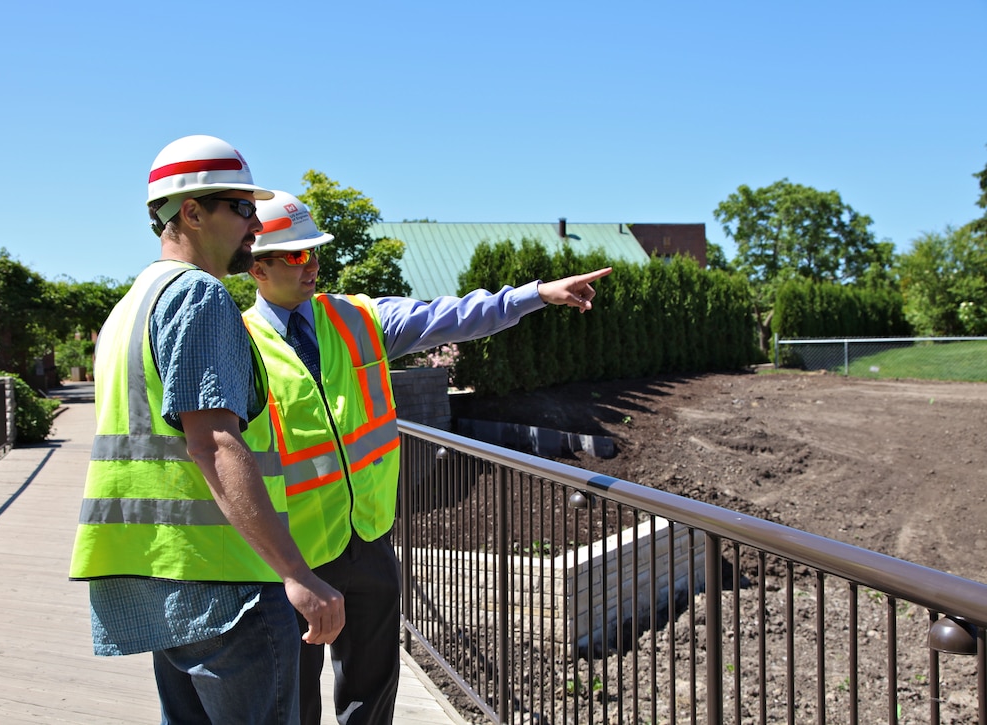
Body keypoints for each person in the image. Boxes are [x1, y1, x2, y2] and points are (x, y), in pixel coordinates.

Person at [240, 190, 612, 725]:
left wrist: (537, 294)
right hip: (293, 559)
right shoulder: (239, 342)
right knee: (291, 703)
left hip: (368, 542)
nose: (313, 265)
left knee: (371, 698)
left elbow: (454, 315)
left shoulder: (358, 319)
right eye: (297, 255)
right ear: (257, 266)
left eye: (316, 251)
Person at [68, 137, 344, 725]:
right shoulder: (199, 295)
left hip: (163, 581)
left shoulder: (132, 304)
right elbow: (214, 442)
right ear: (190, 212)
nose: (255, 225)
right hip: (229, 585)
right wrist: (296, 573)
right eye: (242, 208)